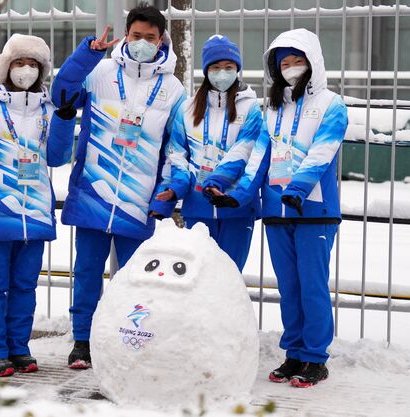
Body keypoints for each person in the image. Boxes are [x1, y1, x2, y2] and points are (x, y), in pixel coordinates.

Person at [204, 28, 348, 387]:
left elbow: (322, 152)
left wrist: (298, 188)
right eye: (284, 63)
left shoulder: (332, 105)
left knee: (312, 286)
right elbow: (255, 157)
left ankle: (316, 357)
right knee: (289, 287)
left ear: (312, 62)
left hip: (314, 210)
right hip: (276, 213)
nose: (292, 68)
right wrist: (235, 193)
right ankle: (294, 352)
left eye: (298, 61)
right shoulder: (270, 110)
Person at [51, 2, 185, 369]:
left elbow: (177, 145)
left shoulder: (173, 89)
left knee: (134, 278)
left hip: (138, 200)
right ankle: (83, 341)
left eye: (151, 38)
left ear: (162, 41)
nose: (143, 42)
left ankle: (128, 341)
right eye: (137, 35)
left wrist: (167, 189)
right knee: (88, 272)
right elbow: (61, 95)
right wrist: (86, 55)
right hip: (95, 192)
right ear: (127, 35)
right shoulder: (101, 71)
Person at [0, 34, 78, 377]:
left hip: (36, 212)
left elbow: (57, 157)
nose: (25, 70)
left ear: (41, 71)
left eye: (32, 64)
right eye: (18, 63)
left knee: (25, 286)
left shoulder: (47, 108)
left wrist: (65, 119)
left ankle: (18, 347)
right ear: (5, 67)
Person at [152, 35, 262, 271]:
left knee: (229, 278)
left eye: (229, 67)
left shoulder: (251, 107)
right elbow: (177, 154)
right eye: (215, 67)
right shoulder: (187, 108)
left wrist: (218, 181)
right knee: (198, 279)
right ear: (206, 70)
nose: (222, 73)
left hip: (236, 207)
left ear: (237, 70)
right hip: (198, 205)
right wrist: (176, 188)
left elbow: (245, 151)